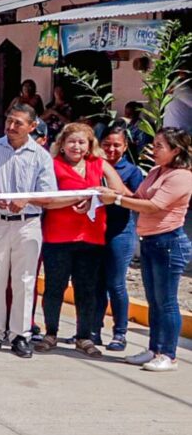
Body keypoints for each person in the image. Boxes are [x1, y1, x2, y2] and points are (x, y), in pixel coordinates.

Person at [98, 127, 192, 372]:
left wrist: (116, 200)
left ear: (176, 150)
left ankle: (168, 354)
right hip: (150, 242)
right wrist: (111, 186)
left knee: (167, 301)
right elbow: (134, 195)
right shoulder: (155, 172)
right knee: (154, 301)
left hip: (169, 243)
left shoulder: (181, 176)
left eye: (160, 146)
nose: (154, 150)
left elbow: (152, 205)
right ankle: (154, 348)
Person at [34, 122, 126, 358]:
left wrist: (99, 194)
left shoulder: (99, 164)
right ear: (62, 145)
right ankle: (51, 333)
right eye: (71, 141)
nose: (76, 146)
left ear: (89, 146)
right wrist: (81, 195)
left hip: (91, 237)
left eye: (81, 142)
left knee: (87, 290)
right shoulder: (52, 165)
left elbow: (120, 192)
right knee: (55, 288)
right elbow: (46, 200)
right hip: (58, 237)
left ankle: (84, 336)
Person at [0, 103, 56, 359]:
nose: (11, 127)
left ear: (32, 126)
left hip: (28, 223)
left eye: (18, 123)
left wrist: (28, 199)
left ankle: (21, 334)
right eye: (9, 121)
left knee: (24, 280)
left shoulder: (40, 155)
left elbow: (49, 195)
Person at [94, 125, 144, 351]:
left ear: (125, 147)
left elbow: (136, 198)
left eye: (117, 145)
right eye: (107, 145)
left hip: (120, 232)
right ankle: (92, 330)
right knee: (95, 284)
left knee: (116, 284)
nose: (111, 149)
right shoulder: (91, 166)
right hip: (93, 231)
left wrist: (115, 189)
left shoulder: (132, 171)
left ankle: (120, 333)